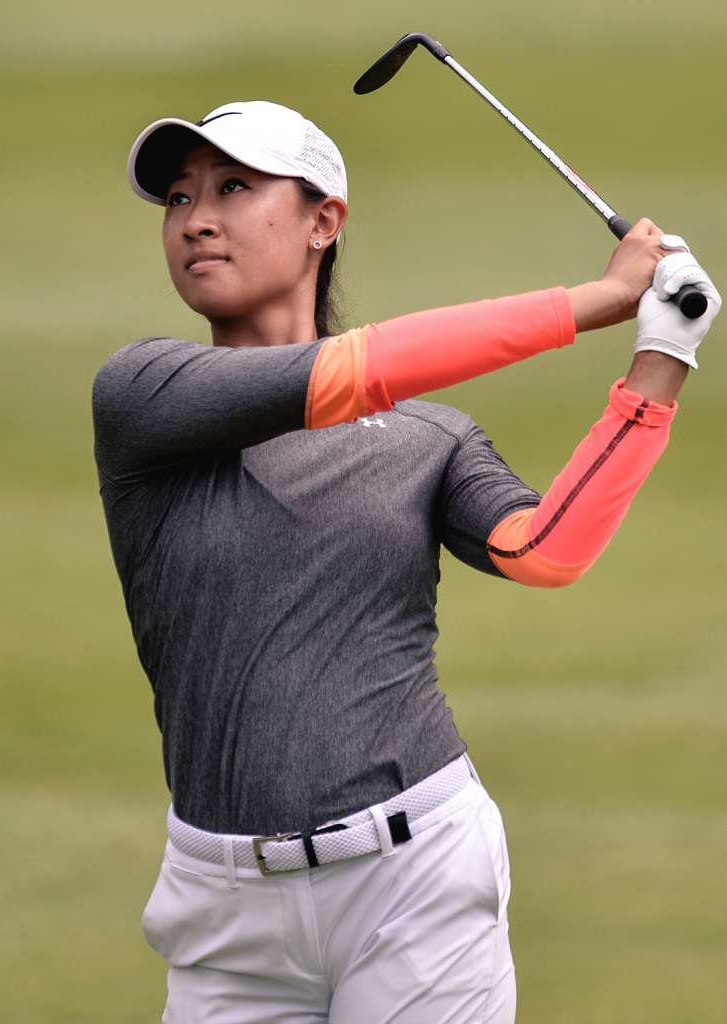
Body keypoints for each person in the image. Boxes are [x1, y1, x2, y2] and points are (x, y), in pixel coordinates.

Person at [92, 100, 721, 1023]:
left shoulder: (428, 439)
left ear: (323, 222)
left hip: (416, 878)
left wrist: (660, 358)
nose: (196, 221)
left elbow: (545, 550)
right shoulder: (145, 394)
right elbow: (353, 372)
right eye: (179, 198)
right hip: (221, 907)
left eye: (232, 188)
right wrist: (595, 301)